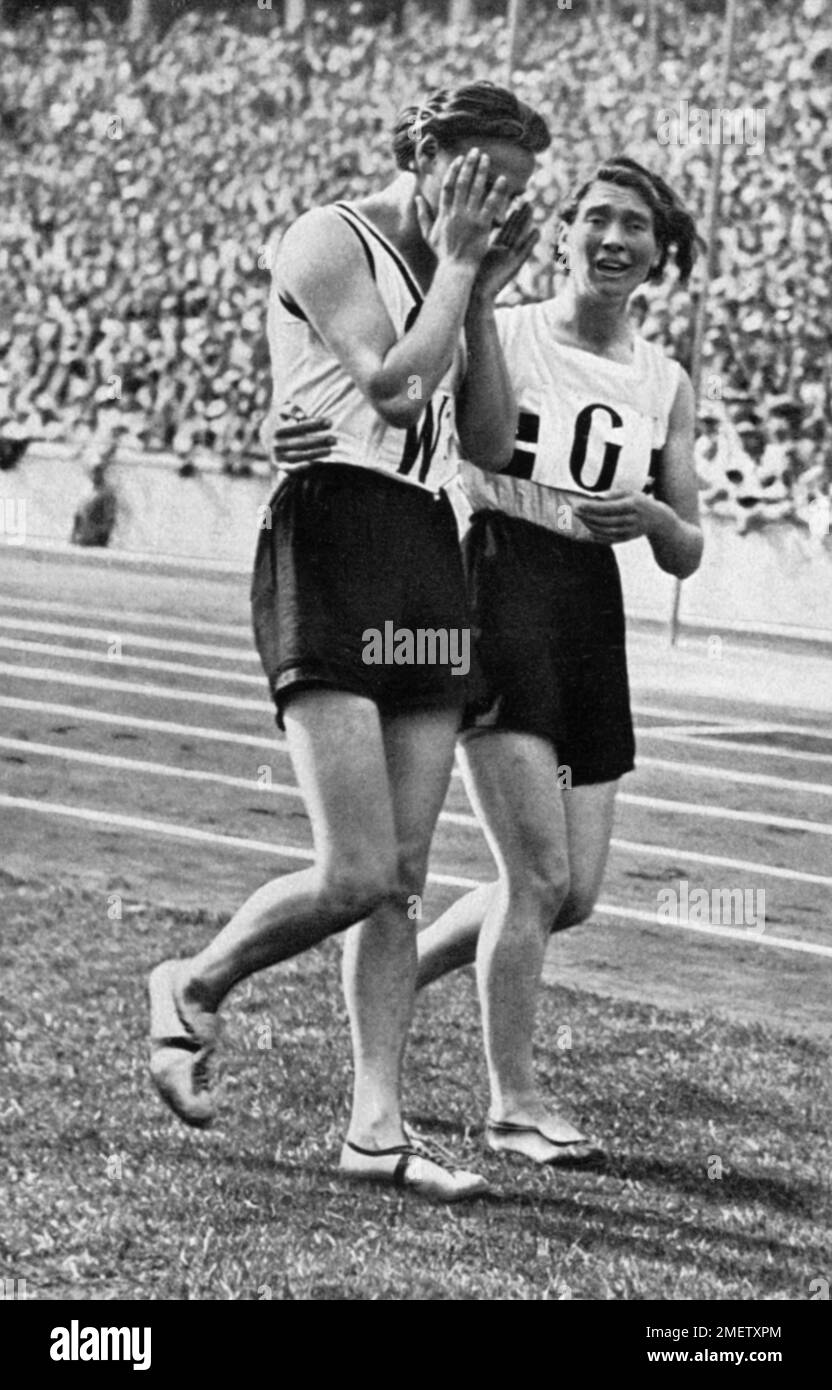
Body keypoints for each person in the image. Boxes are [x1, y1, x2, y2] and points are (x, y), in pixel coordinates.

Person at [148, 82, 549, 1202]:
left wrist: (476, 296)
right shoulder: (333, 235)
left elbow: (481, 442)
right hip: (332, 526)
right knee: (356, 864)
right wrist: (460, 271)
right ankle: (193, 977)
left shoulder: (459, 268)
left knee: (404, 880)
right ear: (424, 157)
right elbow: (389, 382)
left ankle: (375, 1126)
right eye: (478, 178)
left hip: (426, 539)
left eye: (514, 190)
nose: (495, 202)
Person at [272, 157, 704, 1168]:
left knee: (576, 889)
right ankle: (514, 1105)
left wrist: (648, 516)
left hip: (590, 604)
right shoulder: (496, 326)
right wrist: (284, 423)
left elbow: (688, 545)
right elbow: (384, 396)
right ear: (558, 234)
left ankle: (401, 966)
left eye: (634, 226)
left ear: (658, 254)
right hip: (494, 577)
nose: (611, 239)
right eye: (593, 217)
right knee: (538, 874)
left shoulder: (666, 380)